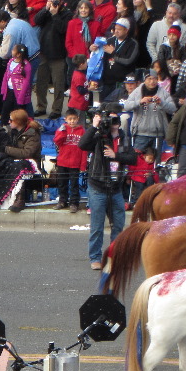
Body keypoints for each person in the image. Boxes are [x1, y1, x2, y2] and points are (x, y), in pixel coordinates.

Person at [78, 110, 137, 270]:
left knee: (118, 225)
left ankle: (115, 256)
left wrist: (115, 155)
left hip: (116, 188)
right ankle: (95, 257)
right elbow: (82, 144)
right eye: (111, 119)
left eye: (116, 119)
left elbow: (133, 159)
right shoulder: (99, 136)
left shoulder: (124, 137)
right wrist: (94, 126)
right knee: (97, 226)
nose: (114, 122)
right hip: (98, 187)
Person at [34, 0, 71, 120]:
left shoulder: (67, 14)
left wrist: (55, 15)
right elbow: (36, 21)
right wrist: (46, 9)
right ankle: (41, 106)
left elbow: (63, 29)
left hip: (58, 55)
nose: (53, 3)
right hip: (43, 52)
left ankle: (56, 109)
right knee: (40, 83)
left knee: (58, 84)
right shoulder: (46, 11)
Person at [124, 68, 176, 152]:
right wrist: (140, 101)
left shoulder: (163, 92)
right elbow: (126, 106)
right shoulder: (137, 92)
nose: (152, 81)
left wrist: (161, 102)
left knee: (157, 161)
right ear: (144, 80)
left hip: (158, 133)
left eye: (155, 78)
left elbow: (173, 109)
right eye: (149, 79)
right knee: (138, 159)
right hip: (140, 133)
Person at [4, 109, 42, 212]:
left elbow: (27, 153)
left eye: (11, 120)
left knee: (21, 168)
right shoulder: (11, 131)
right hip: (15, 160)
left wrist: (7, 149)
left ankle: (20, 200)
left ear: (18, 122)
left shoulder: (32, 135)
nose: (9, 122)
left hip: (30, 163)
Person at [95, 18, 139, 100]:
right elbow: (100, 57)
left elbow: (128, 61)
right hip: (107, 82)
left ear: (126, 30)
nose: (116, 31)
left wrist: (113, 53)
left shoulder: (132, 43)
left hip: (122, 83)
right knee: (105, 105)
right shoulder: (109, 40)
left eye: (119, 29)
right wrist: (94, 49)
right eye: (115, 28)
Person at [53, 109, 87, 212]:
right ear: (66, 119)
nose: (72, 121)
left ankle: (74, 203)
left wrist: (83, 165)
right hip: (63, 162)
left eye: (74, 119)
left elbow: (84, 150)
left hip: (75, 163)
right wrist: (62, 132)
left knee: (74, 184)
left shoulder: (82, 131)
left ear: (78, 119)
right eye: (70, 119)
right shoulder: (61, 129)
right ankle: (62, 201)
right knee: (62, 183)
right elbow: (57, 141)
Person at [0, 44, 33, 125]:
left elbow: (26, 81)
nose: (12, 51)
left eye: (13, 50)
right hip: (9, 90)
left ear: (18, 54)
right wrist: (3, 88)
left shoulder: (26, 65)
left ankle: (18, 125)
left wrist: (21, 96)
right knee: (6, 108)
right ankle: (4, 124)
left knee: (18, 110)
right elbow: (6, 75)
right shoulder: (11, 61)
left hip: (19, 93)